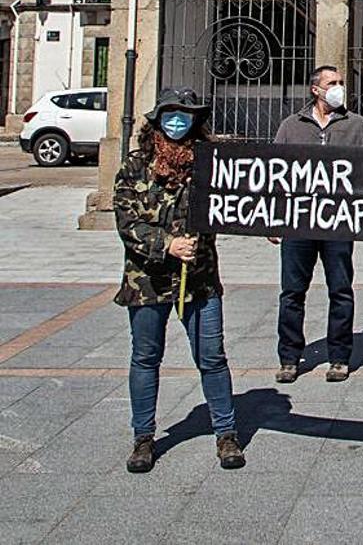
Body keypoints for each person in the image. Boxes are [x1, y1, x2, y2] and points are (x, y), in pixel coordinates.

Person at [114, 87, 244, 474]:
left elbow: (241, 200)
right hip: (147, 281)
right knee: (145, 356)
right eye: (170, 113)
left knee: (212, 357)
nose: (177, 121)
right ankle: (143, 437)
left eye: (185, 113)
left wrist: (268, 223)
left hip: (199, 280)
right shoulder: (135, 166)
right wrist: (167, 244)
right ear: (157, 119)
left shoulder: (210, 164)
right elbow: (127, 223)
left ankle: (226, 433)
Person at [273, 65, 363, 383]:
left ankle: (339, 356)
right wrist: (273, 218)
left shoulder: (356, 125)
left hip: (339, 222)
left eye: (341, 82)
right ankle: (289, 357)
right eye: (332, 83)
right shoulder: (291, 127)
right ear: (316, 89)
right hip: (299, 223)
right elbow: (276, 172)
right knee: (292, 292)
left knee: (340, 290)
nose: (339, 87)